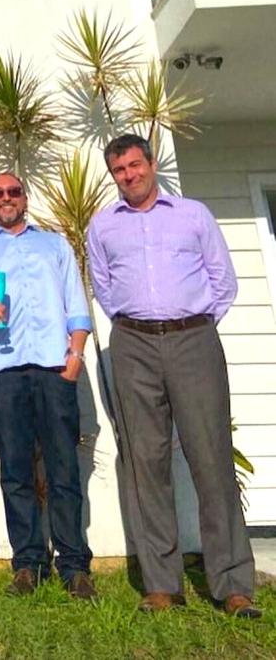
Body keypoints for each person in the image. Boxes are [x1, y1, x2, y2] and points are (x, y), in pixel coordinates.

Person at [87, 133, 260, 617]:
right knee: (146, 462)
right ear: (113, 175)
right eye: (120, 170)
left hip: (193, 341)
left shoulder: (193, 215)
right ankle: (162, 585)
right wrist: (139, 325)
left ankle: (233, 585)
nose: (129, 175)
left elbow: (223, 281)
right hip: (133, 343)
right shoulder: (103, 226)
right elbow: (104, 287)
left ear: (151, 163)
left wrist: (191, 326)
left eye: (135, 165)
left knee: (211, 457)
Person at [0, 173, 96, 600]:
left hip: (54, 367)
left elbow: (77, 305)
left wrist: (75, 356)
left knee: (64, 468)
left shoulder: (55, 245)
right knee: (15, 470)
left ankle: (74, 565)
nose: (6, 198)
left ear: (25, 198)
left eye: (13, 192)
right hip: (3, 371)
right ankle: (28, 564)